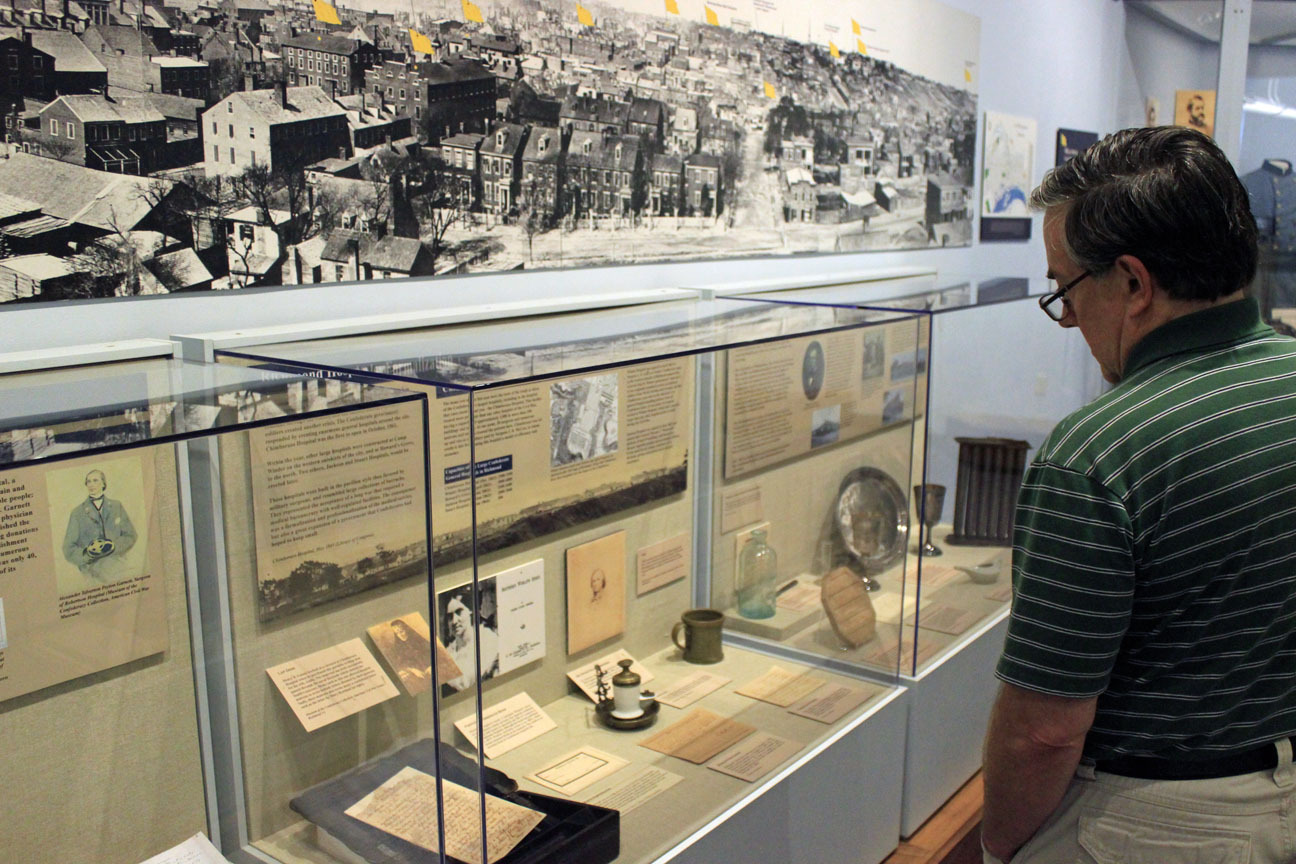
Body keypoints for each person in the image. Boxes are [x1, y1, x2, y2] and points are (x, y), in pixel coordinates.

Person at [982, 126, 1296, 862]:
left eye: (1065, 290)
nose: (1070, 321)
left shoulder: (1098, 453)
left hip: (1155, 824)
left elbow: (1044, 730)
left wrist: (997, 848)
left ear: (1132, 283)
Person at [61, 468, 137, 585]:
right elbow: (68, 548)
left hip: (118, 567)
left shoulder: (117, 506)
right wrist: (88, 554)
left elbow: (130, 535)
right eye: (88, 481)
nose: (91, 485)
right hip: (91, 574)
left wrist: (113, 547)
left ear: (103, 484)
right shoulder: (77, 513)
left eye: (95, 480)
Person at [441, 590, 499, 693]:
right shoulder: (449, 650)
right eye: (450, 616)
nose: (454, 621)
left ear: (471, 612)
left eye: (459, 612)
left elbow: (465, 682)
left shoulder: (487, 639)